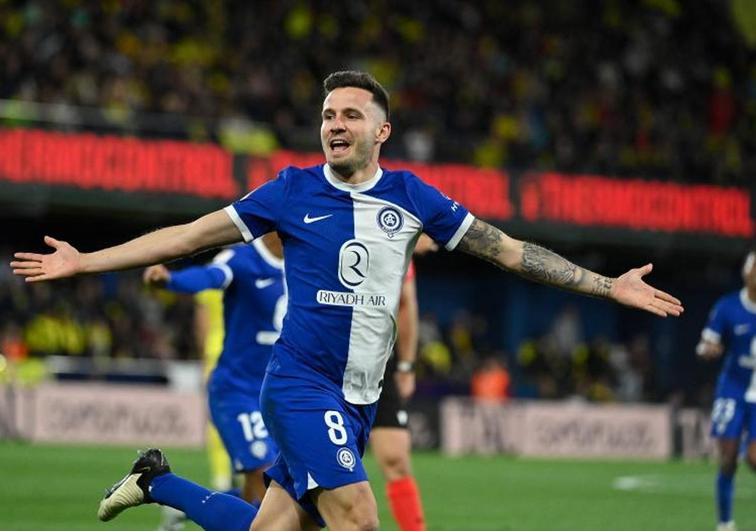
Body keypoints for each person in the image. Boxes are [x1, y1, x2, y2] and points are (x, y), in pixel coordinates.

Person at [11, 70, 683, 531]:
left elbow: (509, 250)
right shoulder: (290, 190)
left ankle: (158, 482)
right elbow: (189, 234)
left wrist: (608, 285)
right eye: (328, 114)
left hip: (360, 397)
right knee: (359, 516)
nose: (334, 124)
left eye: (350, 114)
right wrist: (84, 260)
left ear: (380, 131)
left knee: (274, 524)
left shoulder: (415, 197)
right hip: (301, 384)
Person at [143, 232, 285, 525]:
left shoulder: (304, 259)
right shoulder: (243, 259)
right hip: (237, 389)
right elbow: (208, 277)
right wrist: (170, 281)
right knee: (261, 472)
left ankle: (188, 505)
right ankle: (171, 491)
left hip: (279, 392)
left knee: (277, 487)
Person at [367, 234, 435, 531]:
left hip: (377, 360)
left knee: (395, 457)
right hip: (323, 360)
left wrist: (406, 365)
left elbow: (407, 304)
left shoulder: (399, 255)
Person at [697, 250, 756, 531]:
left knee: (755, 458)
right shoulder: (728, 306)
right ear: (747, 274)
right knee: (728, 458)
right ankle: (725, 523)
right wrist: (709, 350)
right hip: (732, 388)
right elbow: (705, 343)